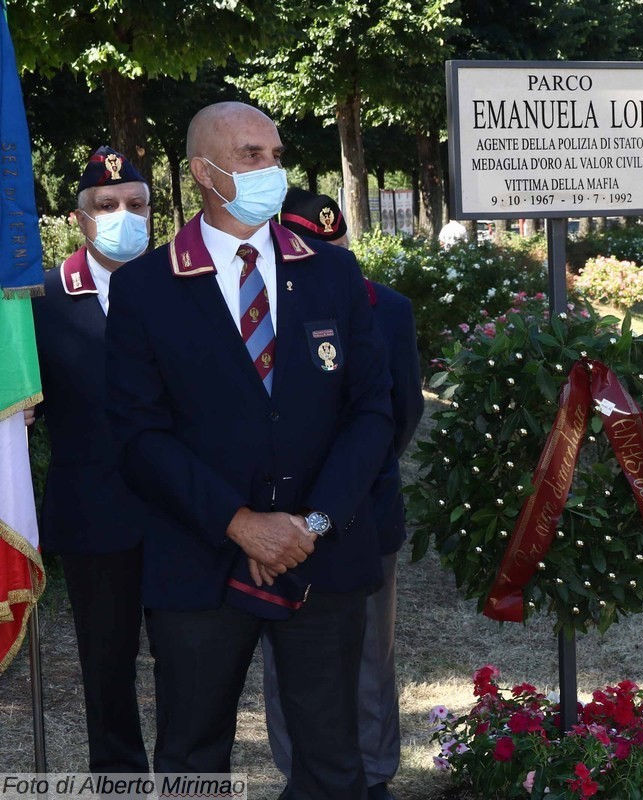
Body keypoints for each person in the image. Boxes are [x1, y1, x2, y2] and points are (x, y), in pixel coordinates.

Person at [104, 101, 393, 799]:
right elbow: (139, 434)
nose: (274, 169)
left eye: (276, 152)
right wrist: (242, 525)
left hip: (319, 558)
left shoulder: (332, 272)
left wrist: (309, 524)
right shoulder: (145, 287)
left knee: (332, 760)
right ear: (205, 172)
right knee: (192, 757)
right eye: (252, 156)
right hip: (200, 559)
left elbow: (373, 412)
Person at [265, 188, 424, 800]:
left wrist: (351, 480)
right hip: (276, 516)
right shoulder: (257, 304)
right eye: (313, 243)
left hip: (366, 510)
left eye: (335, 245)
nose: (326, 255)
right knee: (281, 653)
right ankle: (297, 769)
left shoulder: (388, 307)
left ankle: (374, 769)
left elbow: (401, 410)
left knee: (369, 652)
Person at [30, 146, 153, 775]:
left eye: (136, 205)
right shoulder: (43, 300)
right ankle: (123, 782)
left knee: (197, 663)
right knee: (107, 672)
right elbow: (28, 400)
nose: (123, 216)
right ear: (82, 218)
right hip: (95, 517)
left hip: (186, 514)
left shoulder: (188, 288)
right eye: (108, 206)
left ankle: (193, 775)